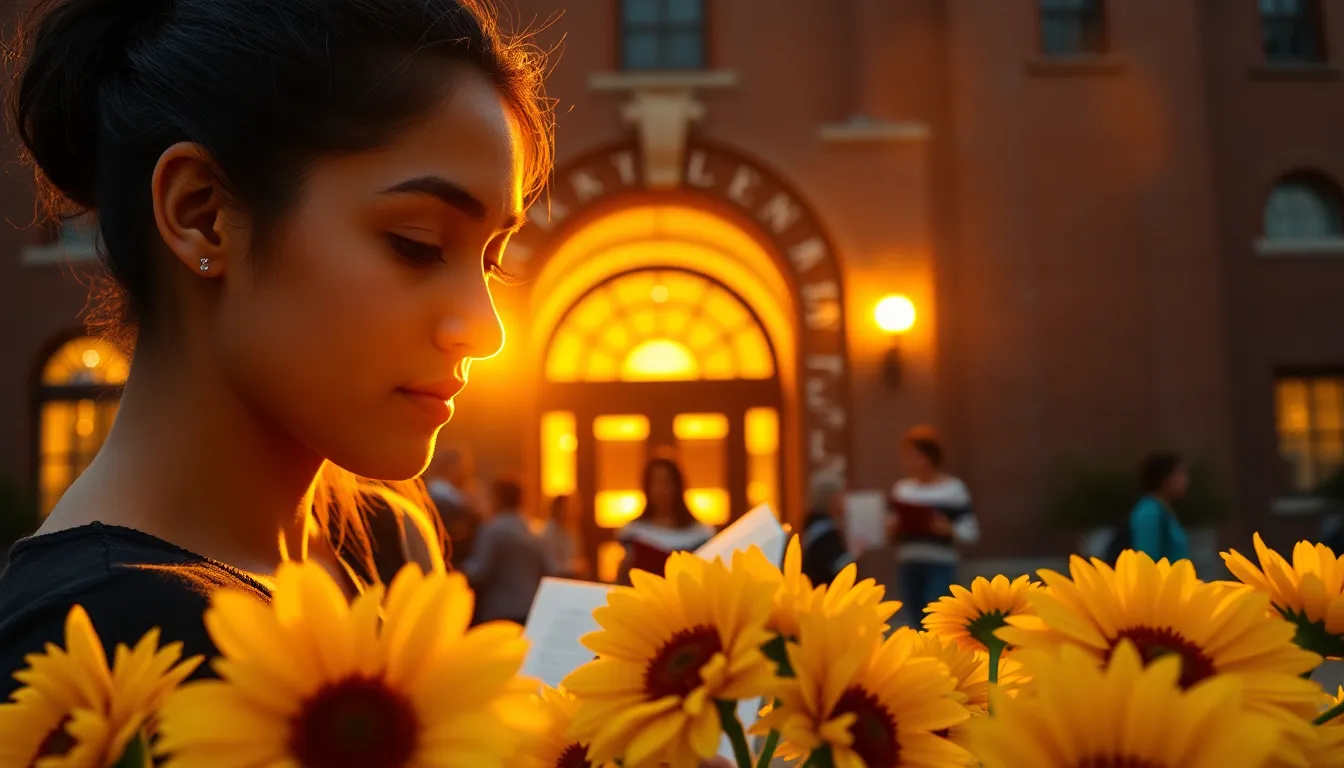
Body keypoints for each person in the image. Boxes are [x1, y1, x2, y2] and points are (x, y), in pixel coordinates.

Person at [0, 0, 553, 701]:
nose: (485, 327)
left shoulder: (381, 537)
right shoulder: (93, 649)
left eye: (492, 259)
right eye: (417, 244)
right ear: (201, 214)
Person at [889, 426, 978, 618]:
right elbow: (892, 531)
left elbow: (971, 530)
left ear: (929, 457)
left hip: (940, 563)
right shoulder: (902, 489)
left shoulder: (953, 489)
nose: (909, 461)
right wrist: (892, 528)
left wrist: (949, 529)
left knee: (935, 615)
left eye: (915, 455)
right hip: (909, 562)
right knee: (915, 616)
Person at [462, 477, 550, 625]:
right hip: (530, 606)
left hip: (500, 610)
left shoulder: (493, 529)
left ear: (498, 498)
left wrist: (455, 572)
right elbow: (547, 568)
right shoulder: (534, 529)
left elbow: (479, 570)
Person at [615, 456, 715, 584]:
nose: (661, 490)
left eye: (667, 483)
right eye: (655, 483)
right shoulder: (634, 531)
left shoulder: (700, 533)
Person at [1125, 452, 1191, 562]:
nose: (1187, 481)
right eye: (1180, 474)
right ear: (1164, 478)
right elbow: (1146, 558)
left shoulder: (1163, 510)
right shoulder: (1149, 512)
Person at [425, 446, 481, 568]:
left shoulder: (456, 494)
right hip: (451, 561)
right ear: (449, 467)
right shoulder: (441, 494)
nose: (466, 470)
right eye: (462, 465)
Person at [799, 479, 856, 587]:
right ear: (832, 498)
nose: (844, 500)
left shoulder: (812, 524)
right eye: (842, 495)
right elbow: (836, 566)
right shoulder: (825, 531)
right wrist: (854, 553)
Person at [541, 493, 588, 579]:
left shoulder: (572, 530)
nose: (576, 511)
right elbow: (553, 567)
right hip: (556, 584)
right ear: (560, 509)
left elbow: (578, 559)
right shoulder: (548, 534)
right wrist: (575, 567)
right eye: (571, 507)